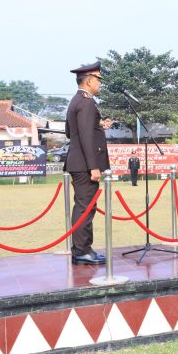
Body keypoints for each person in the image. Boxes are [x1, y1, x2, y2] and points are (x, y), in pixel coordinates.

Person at [64, 62, 111, 265]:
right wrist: (94, 166)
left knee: (84, 207)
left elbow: (70, 131)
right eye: (98, 81)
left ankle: (83, 249)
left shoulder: (77, 100)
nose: (99, 84)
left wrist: (98, 124)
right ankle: (82, 250)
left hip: (78, 163)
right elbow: (85, 137)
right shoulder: (87, 102)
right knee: (85, 208)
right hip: (84, 165)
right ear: (90, 80)